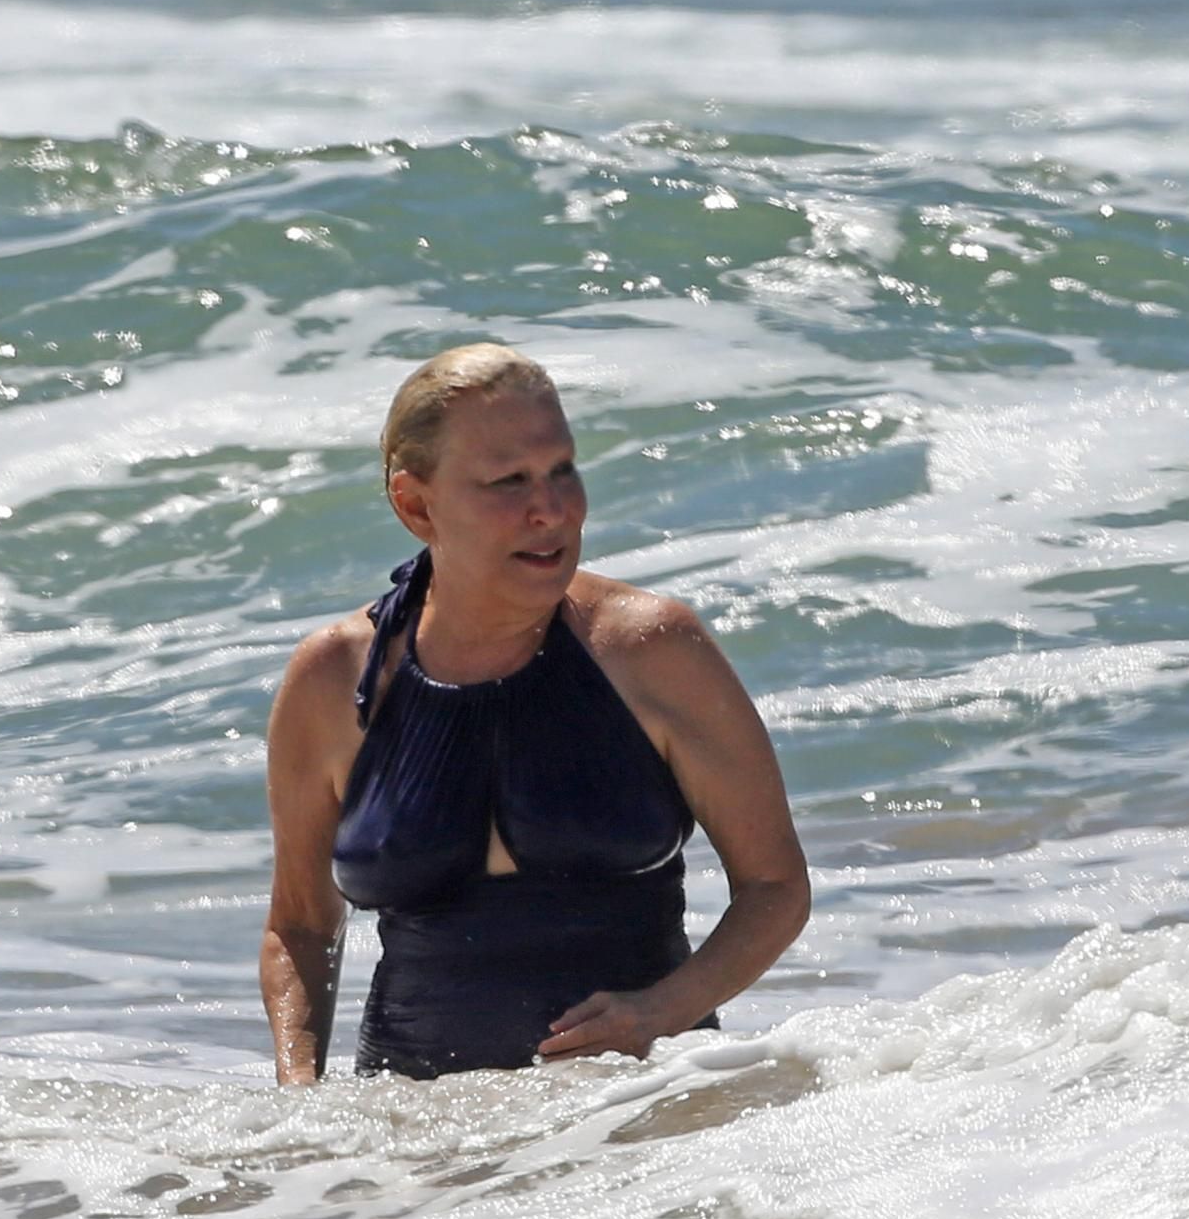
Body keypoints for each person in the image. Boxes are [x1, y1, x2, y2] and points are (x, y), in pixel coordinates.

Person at [259, 344, 809, 1083]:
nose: (551, 509)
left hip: (642, 1112)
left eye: (562, 470)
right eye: (509, 481)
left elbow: (776, 888)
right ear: (416, 505)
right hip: (413, 1131)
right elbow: (300, 926)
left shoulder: (649, 648)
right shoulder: (335, 678)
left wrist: (659, 1012)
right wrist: (299, 1098)